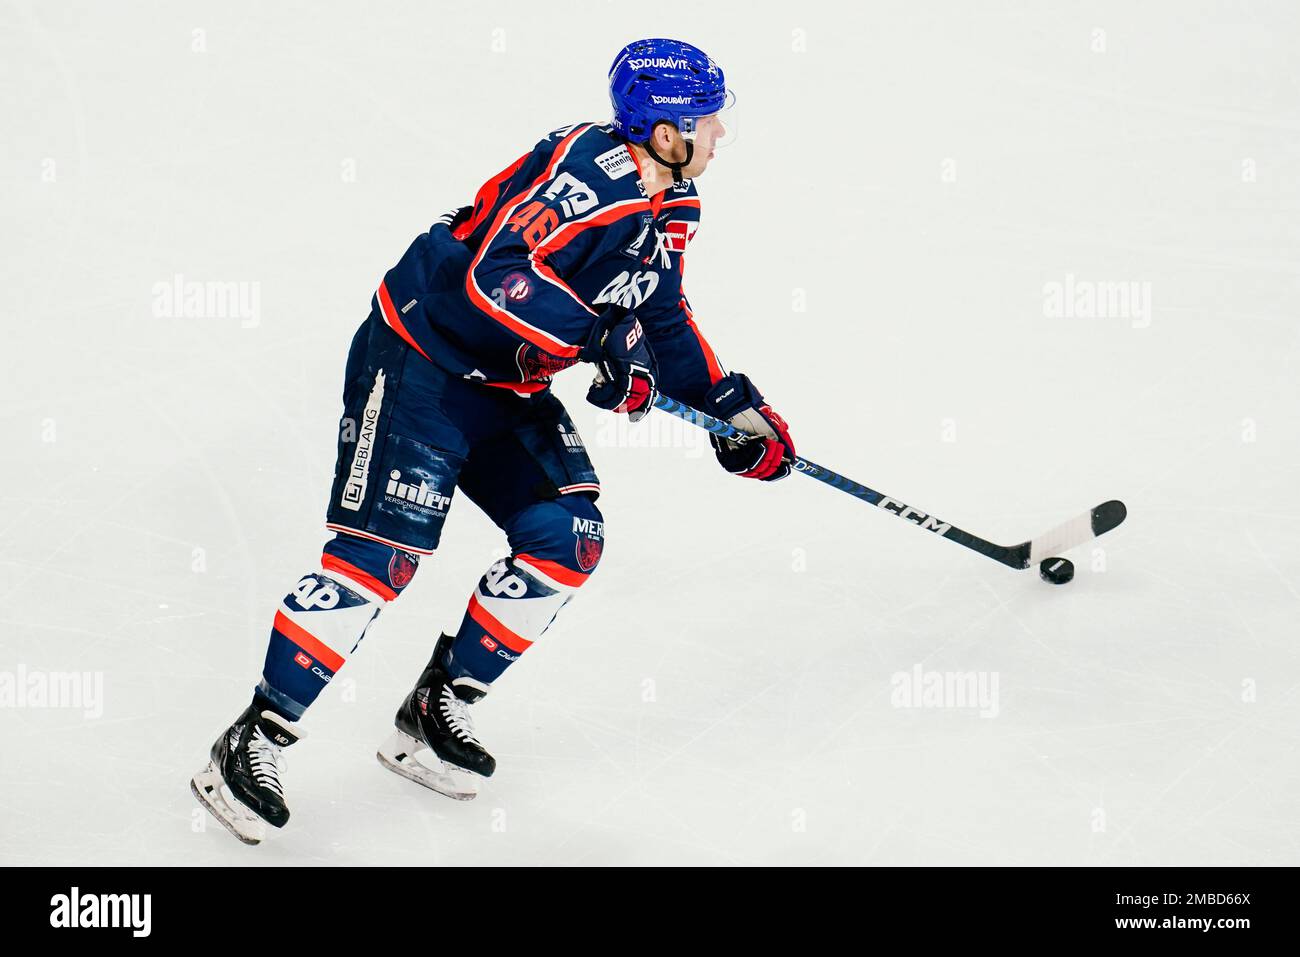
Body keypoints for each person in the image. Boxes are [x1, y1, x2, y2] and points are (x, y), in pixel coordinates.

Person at [190, 37, 797, 844]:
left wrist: (730, 409)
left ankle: (434, 709)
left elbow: (659, 314)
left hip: (506, 385)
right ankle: (250, 741)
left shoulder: (672, 202)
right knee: (378, 560)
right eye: (707, 118)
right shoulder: (591, 176)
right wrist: (596, 343)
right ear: (662, 129)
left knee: (566, 537)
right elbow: (497, 276)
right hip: (421, 363)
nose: (721, 132)